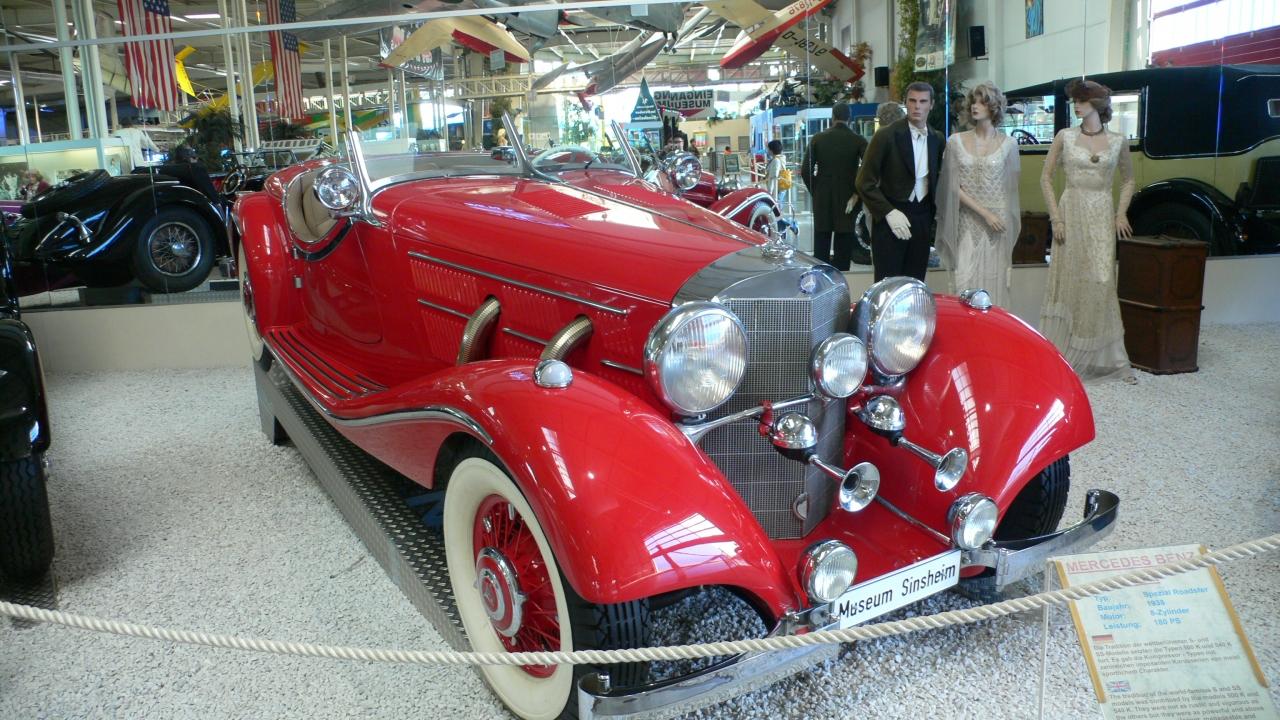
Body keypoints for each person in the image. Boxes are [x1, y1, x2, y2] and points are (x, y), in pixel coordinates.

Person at [1038, 78, 1137, 383]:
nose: (1076, 106)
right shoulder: (1065, 136)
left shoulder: (1118, 141)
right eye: (1075, 101)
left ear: (1096, 104)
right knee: (1071, 279)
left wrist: (1121, 213)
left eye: (1081, 101)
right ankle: (1063, 354)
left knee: (1101, 279)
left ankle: (1110, 358)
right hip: (1071, 211)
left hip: (1101, 213)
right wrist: (1056, 219)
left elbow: (1129, 180)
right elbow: (1045, 177)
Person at [936, 82, 1021, 308]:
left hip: (997, 224)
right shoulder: (956, 141)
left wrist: (998, 217)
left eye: (982, 102)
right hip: (968, 219)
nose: (975, 106)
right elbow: (952, 186)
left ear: (993, 106)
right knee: (964, 280)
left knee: (994, 283)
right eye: (973, 101)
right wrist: (984, 213)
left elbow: (1011, 189)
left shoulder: (1009, 144)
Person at [856, 82, 945, 281]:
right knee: (888, 284)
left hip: (922, 218)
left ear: (931, 105)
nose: (917, 106)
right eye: (912, 101)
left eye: (923, 101)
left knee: (915, 283)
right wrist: (888, 212)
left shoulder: (937, 138)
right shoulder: (886, 136)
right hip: (890, 218)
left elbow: (938, 179)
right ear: (906, 103)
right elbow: (864, 182)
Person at [801, 101, 868, 270]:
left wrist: (816, 190)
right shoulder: (858, 140)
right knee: (844, 242)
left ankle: (820, 278)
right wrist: (857, 193)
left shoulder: (818, 139)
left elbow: (805, 170)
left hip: (823, 196)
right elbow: (869, 169)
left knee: (821, 242)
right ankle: (842, 276)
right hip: (848, 197)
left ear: (833, 117)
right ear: (849, 118)